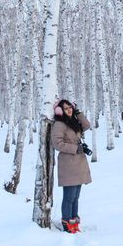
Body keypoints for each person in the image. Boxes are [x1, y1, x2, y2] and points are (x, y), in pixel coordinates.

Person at [51, 99, 92, 233]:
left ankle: (74, 223)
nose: (69, 110)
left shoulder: (73, 122)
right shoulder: (59, 124)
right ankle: (66, 223)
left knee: (75, 197)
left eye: (70, 107)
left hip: (79, 164)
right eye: (65, 108)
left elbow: (86, 125)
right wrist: (76, 148)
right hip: (68, 164)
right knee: (69, 197)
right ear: (59, 111)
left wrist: (78, 112)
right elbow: (57, 144)